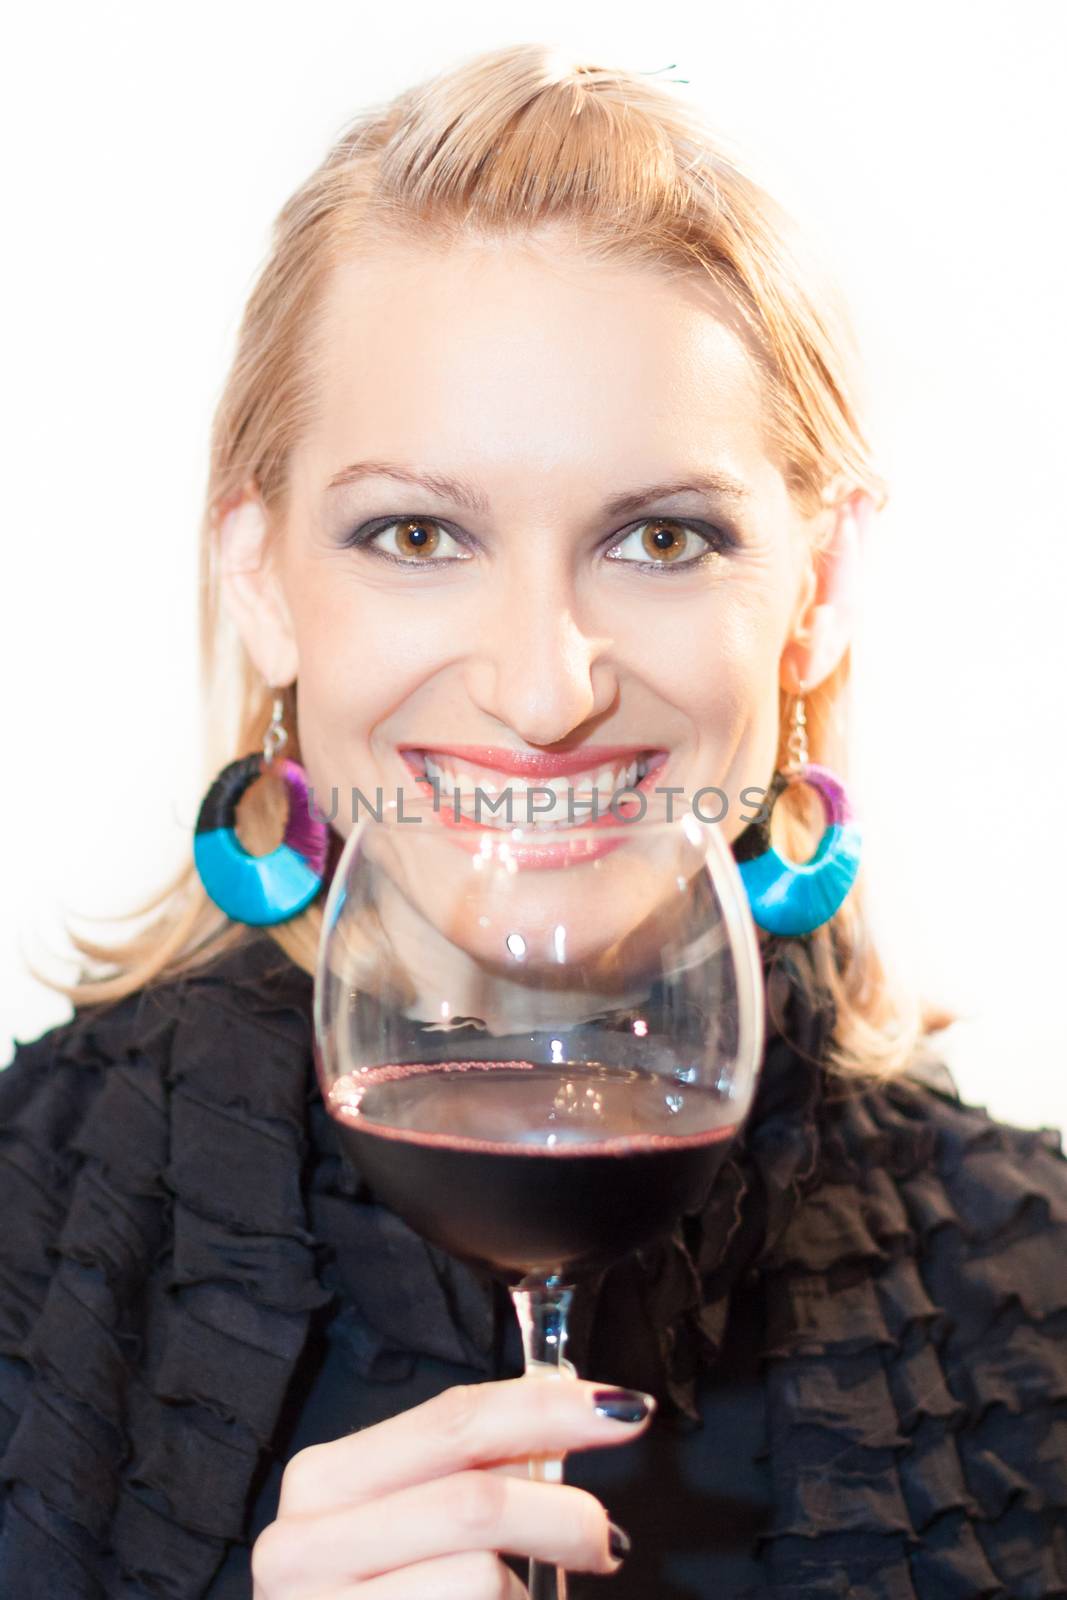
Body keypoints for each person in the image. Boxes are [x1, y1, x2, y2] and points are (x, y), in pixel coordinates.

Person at [3, 40, 1066, 1600]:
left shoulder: (1035, 1293)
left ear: (817, 590)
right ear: (258, 572)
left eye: (661, 536)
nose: (543, 685)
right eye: (417, 531)